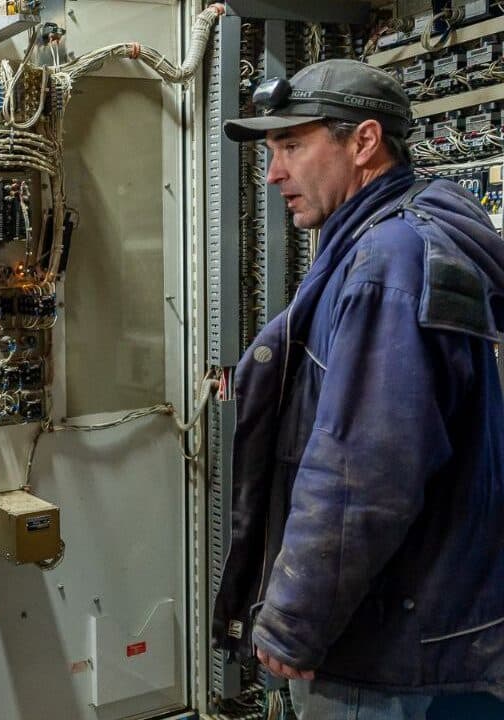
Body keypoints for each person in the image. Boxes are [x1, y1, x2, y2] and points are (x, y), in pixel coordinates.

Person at [213, 59, 504, 717]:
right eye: (270, 151)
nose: (273, 173)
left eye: (291, 145)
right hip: (421, 628)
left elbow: (363, 471)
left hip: (392, 647)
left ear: (364, 142)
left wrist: (294, 621)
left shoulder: (387, 262)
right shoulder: (394, 239)